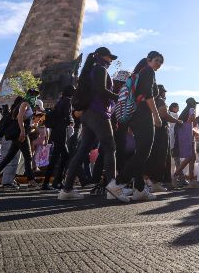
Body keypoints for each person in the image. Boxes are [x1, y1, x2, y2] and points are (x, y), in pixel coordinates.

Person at [59, 47, 128, 201]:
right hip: (98, 113)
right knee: (110, 148)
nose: (111, 61)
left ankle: (67, 189)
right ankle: (112, 186)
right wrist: (119, 98)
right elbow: (101, 90)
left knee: (82, 150)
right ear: (102, 57)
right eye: (110, 58)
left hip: (88, 115)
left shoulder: (91, 70)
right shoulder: (100, 70)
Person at [114, 51, 165, 201]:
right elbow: (148, 95)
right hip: (144, 115)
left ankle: (139, 188)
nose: (158, 64)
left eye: (161, 62)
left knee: (140, 153)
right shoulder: (148, 72)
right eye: (156, 60)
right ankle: (117, 184)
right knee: (143, 153)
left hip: (135, 115)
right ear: (148, 60)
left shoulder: (140, 73)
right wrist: (156, 116)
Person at [0, 90, 41, 190]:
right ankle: (31, 182)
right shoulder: (25, 103)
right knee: (28, 157)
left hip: (19, 134)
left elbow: (21, 118)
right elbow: (19, 117)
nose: (35, 98)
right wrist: (22, 131)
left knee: (8, 158)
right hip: (20, 135)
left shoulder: (25, 104)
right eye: (34, 95)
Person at [42, 85, 75, 190]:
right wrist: (71, 121)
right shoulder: (67, 101)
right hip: (61, 131)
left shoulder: (60, 101)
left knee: (63, 156)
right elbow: (67, 114)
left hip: (56, 131)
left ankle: (55, 182)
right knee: (60, 157)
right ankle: (52, 182)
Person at [172, 98, 199, 187]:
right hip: (189, 136)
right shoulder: (192, 109)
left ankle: (191, 180)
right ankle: (175, 175)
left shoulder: (184, 111)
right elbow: (192, 119)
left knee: (192, 158)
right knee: (190, 157)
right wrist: (195, 119)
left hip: (184, 136)